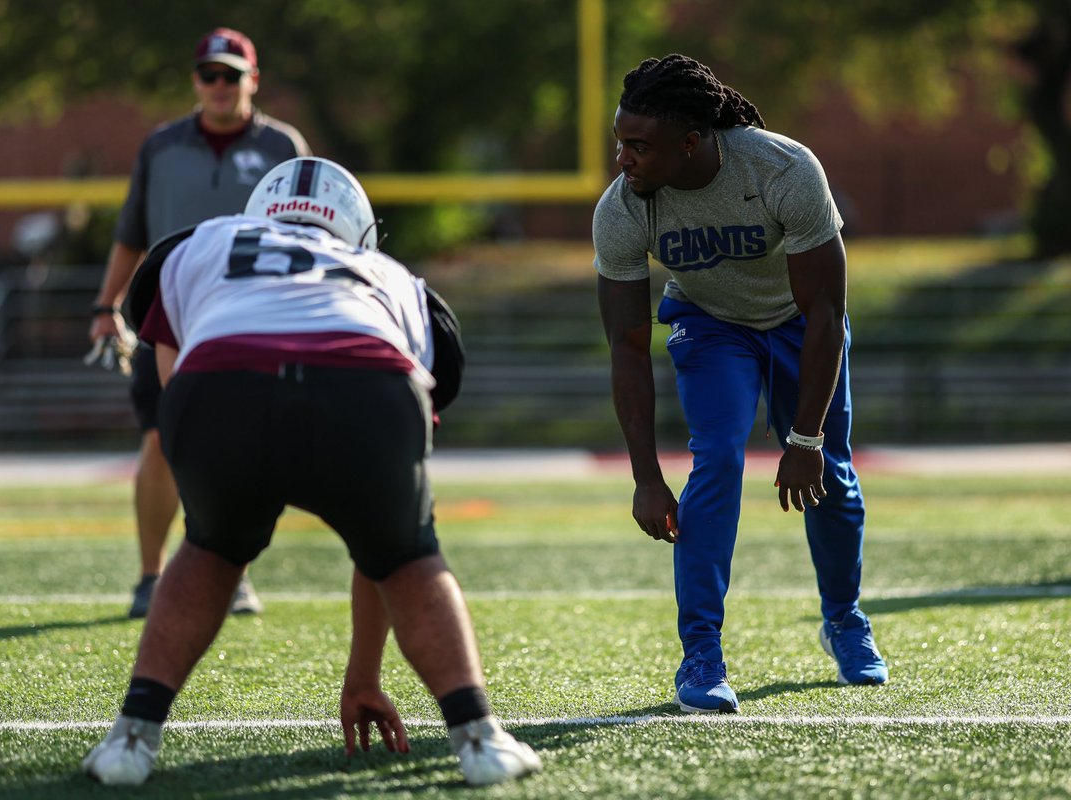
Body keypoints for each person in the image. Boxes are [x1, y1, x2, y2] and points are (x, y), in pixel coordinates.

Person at [82, 157, 542, 788]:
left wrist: (219, 505)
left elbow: (172, 380)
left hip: (223, 379)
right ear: (357, 229)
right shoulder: (392, 276)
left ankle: (131, 739)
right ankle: (479, 738)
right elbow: (380, 543)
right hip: (363, 378)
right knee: (406, 556)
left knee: (209, 550)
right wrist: (364, 672)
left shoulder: (205, 241)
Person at [593, 54, 888, 714]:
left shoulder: (782, 169)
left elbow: (826, 311)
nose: (624, 160)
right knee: (719, 459)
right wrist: (644, 475)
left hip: (797, 323)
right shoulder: (622, 210)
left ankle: (844, 618)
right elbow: (626, 344)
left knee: (830, 475)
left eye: (638, 146)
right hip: (710, 322)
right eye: (621, 143)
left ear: (690, 143)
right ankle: (701, 655)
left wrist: (805, 437)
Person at [88, 27, 310, 618]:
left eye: (230, 75)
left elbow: (313, 236)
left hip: (251, 316)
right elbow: (130, 233)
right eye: (209, 74)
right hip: (169, 312)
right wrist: (105, 305)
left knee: (242, 446)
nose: (219, 85)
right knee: (161, 437)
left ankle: (231, 573)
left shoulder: (283, 147)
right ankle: (149, 575)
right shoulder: (160, 146)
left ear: (252, 81)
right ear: (195, 81)